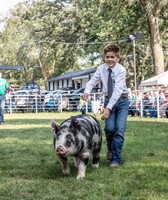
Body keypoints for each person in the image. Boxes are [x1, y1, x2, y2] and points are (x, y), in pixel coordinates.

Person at [82, 43, 129, 168]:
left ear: (117, 58)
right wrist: (87, 91)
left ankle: (116, 160)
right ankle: (110, 149)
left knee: (119, 130)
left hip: (122, 101)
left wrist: (107, 109)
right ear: (104, 57)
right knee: (109, 129)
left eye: (112, 57)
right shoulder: (101, 68)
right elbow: (92, 81)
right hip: (109, 100)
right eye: (107, 57)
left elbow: (118, 90)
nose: (110, 59)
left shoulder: (121, 70)